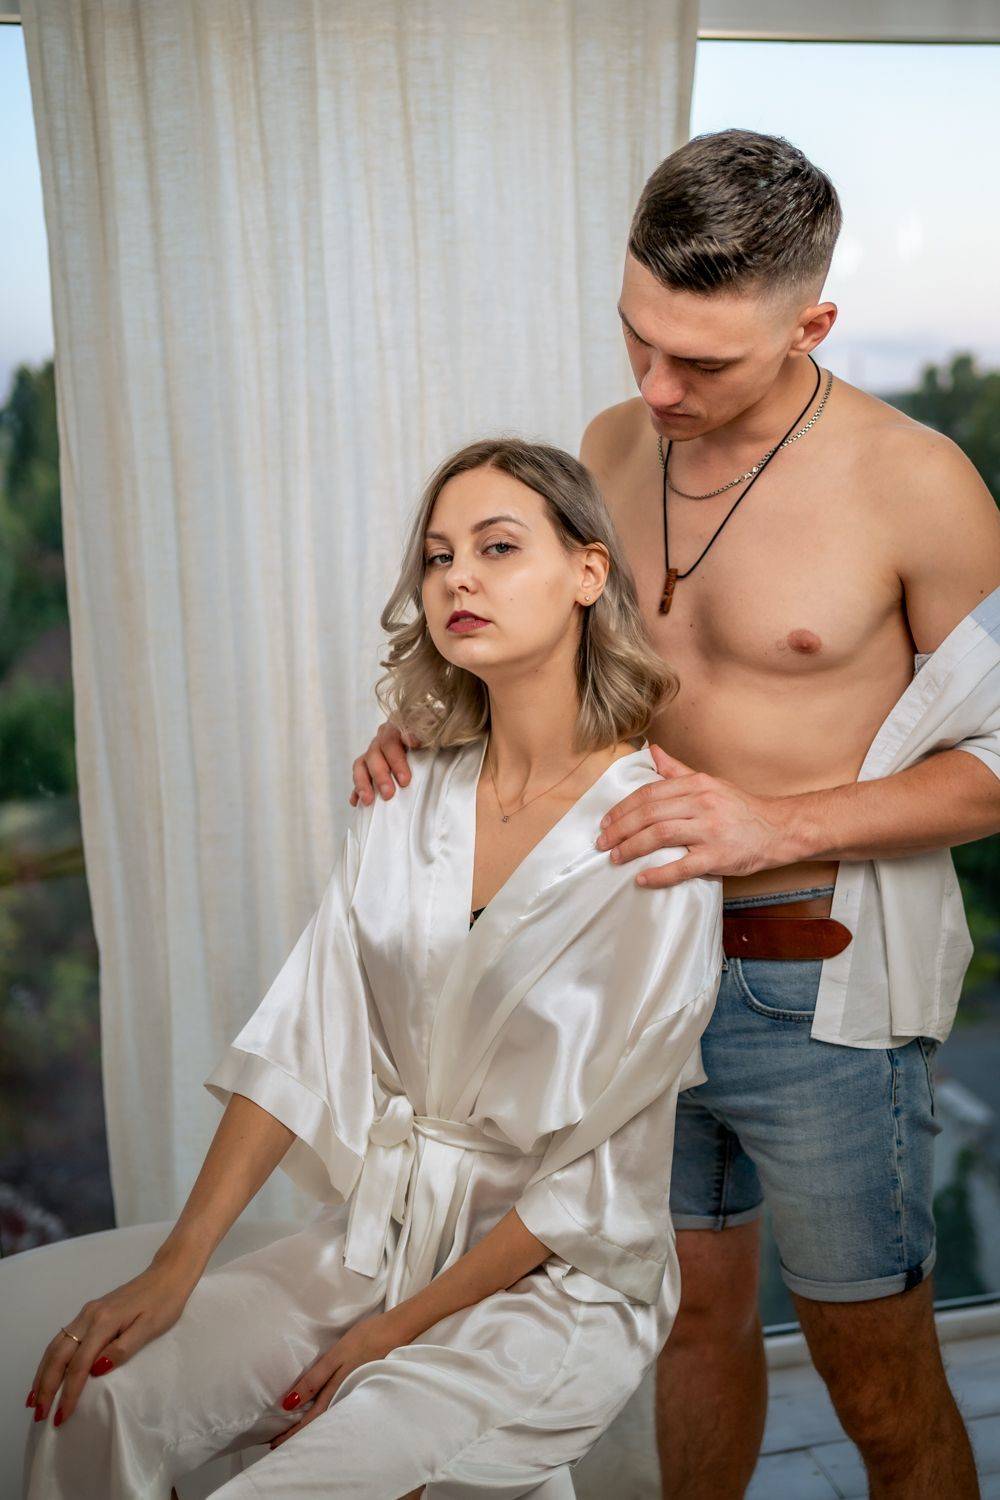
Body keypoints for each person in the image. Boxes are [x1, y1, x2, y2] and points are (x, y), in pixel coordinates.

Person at [350, 131, 1000, 1499]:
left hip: (812, 985)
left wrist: (777, 825)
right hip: (628, 968)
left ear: (812, 326)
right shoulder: (611, 442)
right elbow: (579, 672)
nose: (655, 389)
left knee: (874, 1381)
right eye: (636, 337)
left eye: (699, 362)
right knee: (687, 1324)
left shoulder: (920, 484)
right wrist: (443, 717)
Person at [23, 438, 723, 1500]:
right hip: (376, 1240)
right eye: (439, 557)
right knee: (101, 1399)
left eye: (497, 547)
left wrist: (395, 1334)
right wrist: (175, 1269)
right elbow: (298, 1043)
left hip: (550, 1283)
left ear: (588, 573)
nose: (458, 579)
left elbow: (596, 1190)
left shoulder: (656, 836)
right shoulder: (404, 797)